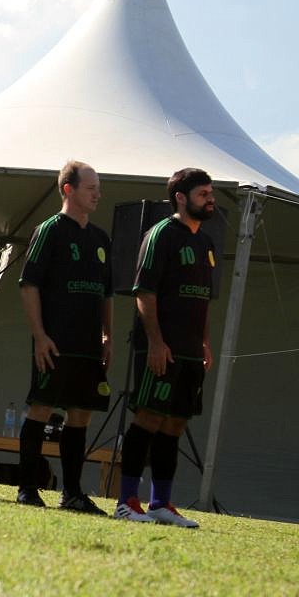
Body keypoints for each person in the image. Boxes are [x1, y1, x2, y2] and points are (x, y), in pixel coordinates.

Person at [114, 168, 215, 528]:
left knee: (175, 424)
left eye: (210, 192)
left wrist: (204, 342)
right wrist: (156, 341)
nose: (211, 199)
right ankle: (126, 501)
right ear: (181, 198)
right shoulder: (160, 235)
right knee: (149, 418)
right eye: (203, 193)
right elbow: (144, 292)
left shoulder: (205, 243)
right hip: (160, 349)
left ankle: (160, 503)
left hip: (190, 353)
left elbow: (205, 299)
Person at [15, 161, 112, 513]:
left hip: (88, 345)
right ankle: (27, 488)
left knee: (81, 414)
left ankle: (72, 493)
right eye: (91, 188)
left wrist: (107, 336)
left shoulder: (101, 239)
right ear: (69, 189)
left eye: (98, 187)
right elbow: (29, 285)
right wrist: (40, 335)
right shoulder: (50, 231)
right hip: (55, 340)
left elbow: (106, 293)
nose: (97, 194)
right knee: (41, 407)